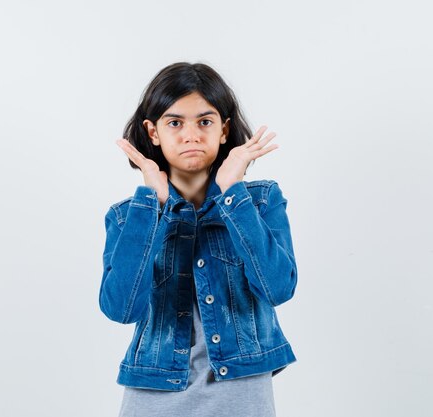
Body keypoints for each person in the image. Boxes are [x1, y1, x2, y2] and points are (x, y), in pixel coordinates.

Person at [98, 62, 298, 417]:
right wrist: (152, 203)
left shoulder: (261, 200)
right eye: (175, 123)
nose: (191, 135)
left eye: (204, 122)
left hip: (242, 389)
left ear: (224, 129)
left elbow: (278, 288)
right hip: (154, 390)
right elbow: (121, 309)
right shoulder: (128, 215)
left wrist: (233, 191)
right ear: (153, 131)